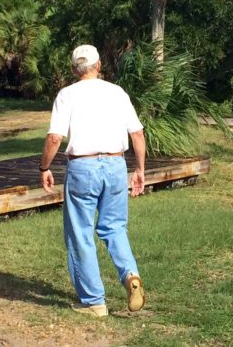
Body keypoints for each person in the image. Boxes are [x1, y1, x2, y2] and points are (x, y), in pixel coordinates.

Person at [40, 44, 146, 317]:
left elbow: (55, 137)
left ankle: (94, 301)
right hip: (115, 164)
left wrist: (44, 167)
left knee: (81, 234)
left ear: (75, 69)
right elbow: (137, 135)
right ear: (99, 66)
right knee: (114, 228)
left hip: (83, 167)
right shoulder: (117, 92)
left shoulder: (67, 95)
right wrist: (140, 170)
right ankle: (130, 275)